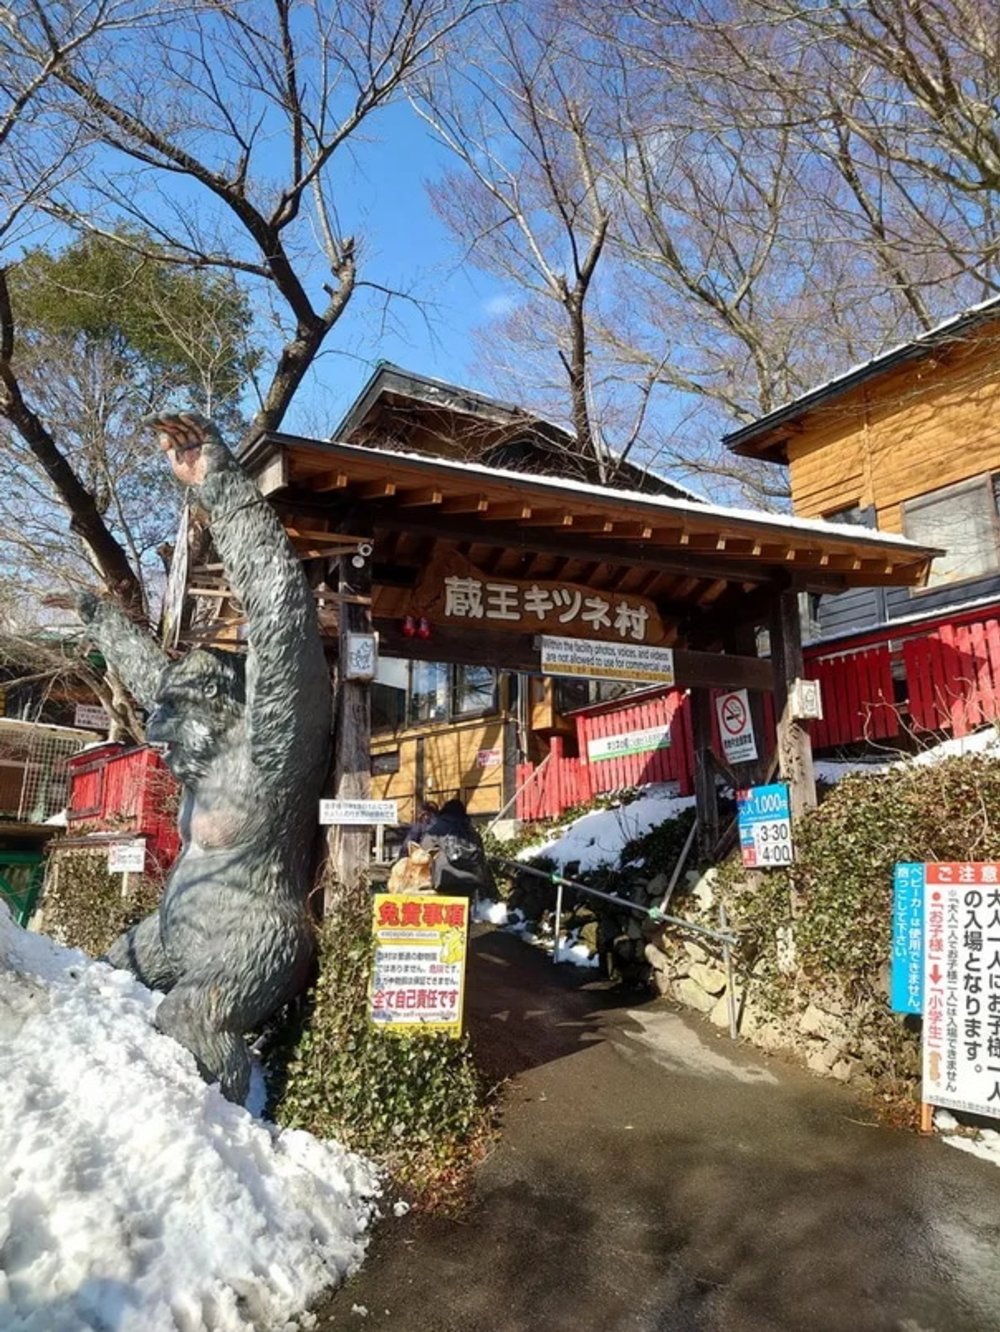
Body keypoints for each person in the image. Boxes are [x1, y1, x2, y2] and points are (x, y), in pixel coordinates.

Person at [420, 798, 495, 899]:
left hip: (443, 884)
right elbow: (482, 861)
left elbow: (423, 855)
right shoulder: (472, 832)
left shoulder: (437, 830)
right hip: (471, 884)